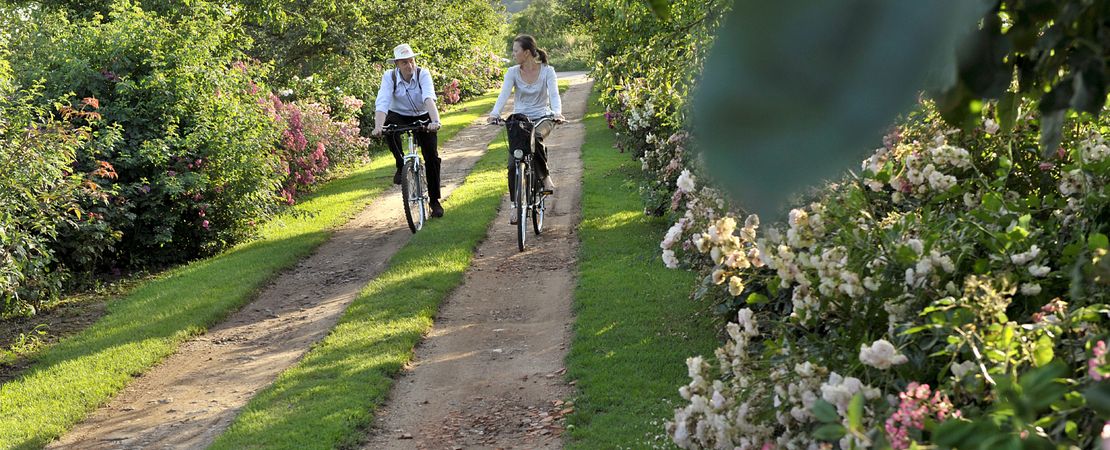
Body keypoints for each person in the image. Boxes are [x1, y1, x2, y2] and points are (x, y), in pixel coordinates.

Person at [487, 35, 565, 224]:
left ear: (527, 53)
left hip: (543, 117)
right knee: (514, 163)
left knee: (536, 135)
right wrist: (495, 113)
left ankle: (545, 177)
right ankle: (515, 206)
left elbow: (554, 94)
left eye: (516, 51)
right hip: (520, 119)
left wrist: (557, 113)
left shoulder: (547, 71)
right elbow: (504, 94)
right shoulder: (513, 72)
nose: (513, 54)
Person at [372, 43, 445, 218]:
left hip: (423, 114)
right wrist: (378, 127)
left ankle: (434, 201)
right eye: (404, 62)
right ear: (397, 64)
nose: (409, 65)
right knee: (389, 128)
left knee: (432, 158)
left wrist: (435, 121)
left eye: (411, 61)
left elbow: (428, 98)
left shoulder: (423, 74)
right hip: (400, 114)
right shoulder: (389, 77)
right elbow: (382, 102)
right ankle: (400, 163)